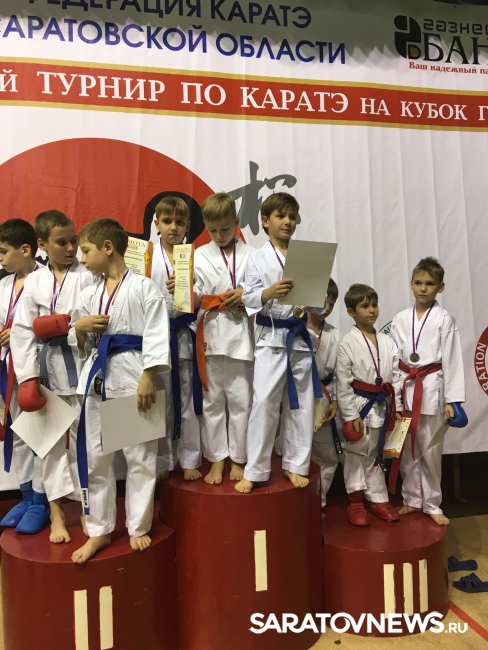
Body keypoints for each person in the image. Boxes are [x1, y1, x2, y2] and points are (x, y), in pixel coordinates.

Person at [69, 218, 170, 563]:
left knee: (139, 458)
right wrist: (80, 328)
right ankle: (99, 530)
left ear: (108, 247)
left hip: (132, 377)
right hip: (97, 378)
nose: (82, 258)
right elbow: (78, 343)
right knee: (97, 459)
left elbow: (157, 334)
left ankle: (138, 526)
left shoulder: (144, 288)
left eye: (86, 251)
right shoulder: (89, 293)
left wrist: (148, 376)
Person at [11, 210, 92, 541]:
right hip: (47, 371)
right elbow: (22, 332)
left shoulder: (88, 274)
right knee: (51, 446)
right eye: (62, 242)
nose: (71, 248)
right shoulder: (34, 281)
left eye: (74, 240)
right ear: (42, 244)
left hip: (83, 366)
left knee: (87, 445)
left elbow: (96, 318)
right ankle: (57, 513)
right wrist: (27, 377)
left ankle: (87, 510)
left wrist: (64, 326)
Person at [235, 192, 323, 495]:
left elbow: (318, 308)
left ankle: (295, 464)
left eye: (292, 217)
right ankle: (255, 469)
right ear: (265, 221)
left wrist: (318, 294)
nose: (287, 222)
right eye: (281, 216)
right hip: (271, 337)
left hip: (298, 338)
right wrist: (268, 293)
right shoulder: (256, 257)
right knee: (264, 405)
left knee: (301, 405)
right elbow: (247, 296)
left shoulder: (306, 257)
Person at [389, 257, 465, 525]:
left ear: (440, 287)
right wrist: (395, 395)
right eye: (419, 283)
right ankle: (411, 499)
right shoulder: (400, 318)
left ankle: (432, 503)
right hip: (406, 387)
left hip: (432, 388)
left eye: (430, 284)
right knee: (407, 450)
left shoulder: (445, 319)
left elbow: (453, 360)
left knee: (430, 450)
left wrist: (452, 400)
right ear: (411, 284)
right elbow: (395, 359)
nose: (423, 289)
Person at [194, 193, 254, 485]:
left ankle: (239, 459)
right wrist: (183, 290)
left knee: (241, 401)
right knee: (213, 402)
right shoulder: (198, 255)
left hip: (241, 335)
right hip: (211, 333)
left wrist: (245, 292)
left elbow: (261, 291)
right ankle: (217, 459)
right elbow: (194, 295)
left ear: (237, 222)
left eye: (226, 229)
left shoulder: (252, 255)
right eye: (213, 230)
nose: (219, 235)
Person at [336, 284, 401, 526]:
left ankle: (378, 499)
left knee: (375, 452)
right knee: (355, 452)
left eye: (374, 305)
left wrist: (398, 407)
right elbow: (342, 383)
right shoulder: (347, 342)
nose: (372, 310)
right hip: (359, 403)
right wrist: (350, 415)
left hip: (383, 402)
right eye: (365, 306)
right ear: (351, 312)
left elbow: (396, 377)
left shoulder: (387, 341)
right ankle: (355, 501)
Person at [152, 196, 202, 482]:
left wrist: (188, 290)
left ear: (187, 225)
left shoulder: (194, 257)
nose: (173, 227)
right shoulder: (146, 257)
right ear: (156, 223)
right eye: (167, 221)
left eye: (179, 222)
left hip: (183, 333)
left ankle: (190, 457)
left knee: (187, 399)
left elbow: (203, 296)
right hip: (156, 335)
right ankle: (162, 459)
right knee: (160, 400)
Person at [0, 219, 39, 530]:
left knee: (42, 435)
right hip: (7, 368)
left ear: (25, 250)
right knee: (20, 433)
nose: (0, 258)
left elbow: (56, 322)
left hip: (36, 369)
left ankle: (42, 500)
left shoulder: (46, 281)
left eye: (3, 252)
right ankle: (26, 496)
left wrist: (20, 332)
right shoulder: (3, 286)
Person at [309, 278, 343, 509]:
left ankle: (317, 503)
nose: (328, 308)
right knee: (290, 450)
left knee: (328, 456)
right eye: (324, 302)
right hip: (296, 396)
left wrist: (337, 400)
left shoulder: (335, 334)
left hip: (323, 398)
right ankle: (294, 504)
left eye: (332, 304)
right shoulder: (294, 326)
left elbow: (341, 372)